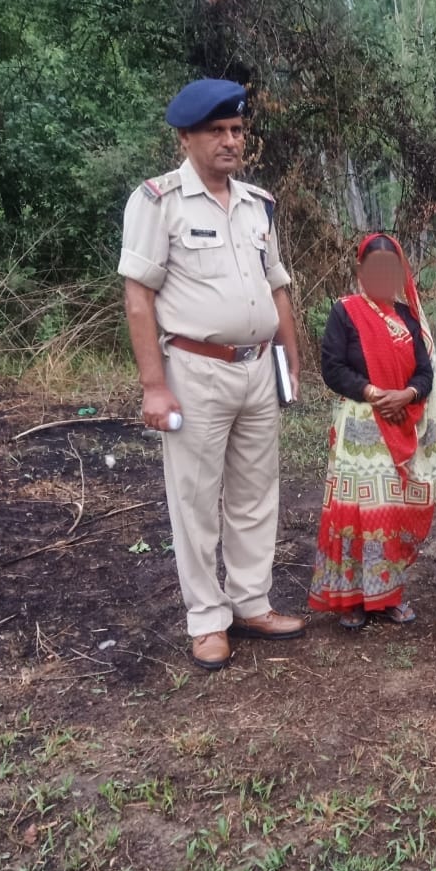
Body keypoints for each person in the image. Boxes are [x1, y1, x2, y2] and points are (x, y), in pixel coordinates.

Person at [118, 78, 305, 671]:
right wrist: (154, 385)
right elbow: (139, 297)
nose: (230, 141)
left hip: (257, 369)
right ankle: (206, 619)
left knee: (255, 493)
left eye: (237, 130)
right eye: (217, 131)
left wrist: (291, 358)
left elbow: (277, 287)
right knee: (195, 500)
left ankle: (251, 602)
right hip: (195, 370)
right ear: (186, 137)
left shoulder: (257, 204)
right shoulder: (159, 201)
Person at [308, 234, 436, 629]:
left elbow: (425, 372)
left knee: (389, 513)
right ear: (361, 271)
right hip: (360, 431)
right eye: (376, 269)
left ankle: (387, 596)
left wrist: (406, 394)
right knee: (355, 512)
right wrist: (371, 392)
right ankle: (351, 599)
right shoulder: (346, 312)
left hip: (400, 423)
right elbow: (333, 367)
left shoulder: (407, 317)